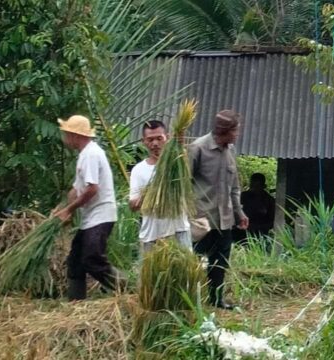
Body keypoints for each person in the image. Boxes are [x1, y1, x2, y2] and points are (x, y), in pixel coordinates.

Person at [52, 115, 120, 301]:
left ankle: (127, 289)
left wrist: (70, 210)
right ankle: (76, 303)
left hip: (100, 215)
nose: (64, 137)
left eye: (66, 133)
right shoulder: (85, 154)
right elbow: (76, 189)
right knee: (75, 261)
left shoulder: (91, 154)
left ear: (75, 135)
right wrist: (62, 207)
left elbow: (92, 189)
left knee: (92, 259)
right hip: (91, 217)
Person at [189, 109, 249, 310]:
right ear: (225, 131)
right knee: (193, 260)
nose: (237, 134)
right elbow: (183, 183)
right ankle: (190, 298)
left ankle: (216, 299)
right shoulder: (198, 148)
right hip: (201, 218)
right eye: (236, 130)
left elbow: (234, 187)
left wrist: (239, 213)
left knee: (220, 261)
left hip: (225, 218)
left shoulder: (230, 151)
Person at [128, 120, 191, 260]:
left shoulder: (178, 162)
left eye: (159, 138)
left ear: (167, 138)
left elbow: (184, 153)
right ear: (143, 141)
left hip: (178, 232)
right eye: (150, 139)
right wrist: (152, 191)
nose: (155, 143)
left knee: (183, 280)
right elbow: (133, 205)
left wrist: (180, 142)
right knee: (150, 281)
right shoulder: (138, 170)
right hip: (151, 236)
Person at [237, 173, 275, 244]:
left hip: (260, 232)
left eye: (257, 186)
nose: (254, 189)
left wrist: (258, 227)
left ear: (263, 186)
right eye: (252, 186)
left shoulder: (269, 200)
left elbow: (273, 221)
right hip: (242, 231)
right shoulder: (243, 196)